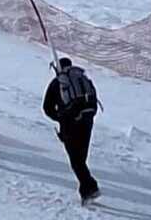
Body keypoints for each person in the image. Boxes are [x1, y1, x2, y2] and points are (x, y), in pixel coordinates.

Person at [43, 58, 100, 203]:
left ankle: (90, 188)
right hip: (87, 121)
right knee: (81, 158)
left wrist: (60, 117)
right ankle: (86, 190)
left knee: (76, 160)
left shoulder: (58, 83)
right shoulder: (82, 78)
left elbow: (47, 108)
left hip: (70, 125)